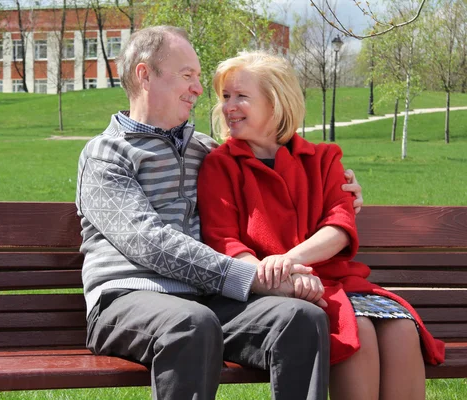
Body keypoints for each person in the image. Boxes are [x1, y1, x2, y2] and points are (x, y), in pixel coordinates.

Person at [76, 26, 362, 400]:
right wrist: (252, 276)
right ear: (145, 75)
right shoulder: (105, 155)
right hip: (127, 301)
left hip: (208, 302)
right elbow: (150, 244)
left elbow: (272, 168)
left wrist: (344, 190)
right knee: (191, 324)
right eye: (187, 76)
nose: (198, 88)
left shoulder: (205, 151)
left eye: (197, 77)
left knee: (301, 318)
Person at [197, 51, 446, 400]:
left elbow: (339, 225)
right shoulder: (220, 165)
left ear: (276, 102)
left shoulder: (324, 157)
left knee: (401, 329)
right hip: (269, 291)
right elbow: (225, 241)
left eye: (241, 96)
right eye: (225, 96)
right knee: (354, 330)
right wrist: (279, 277)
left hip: (337, 280)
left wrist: (288, 261)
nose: (229, 106)